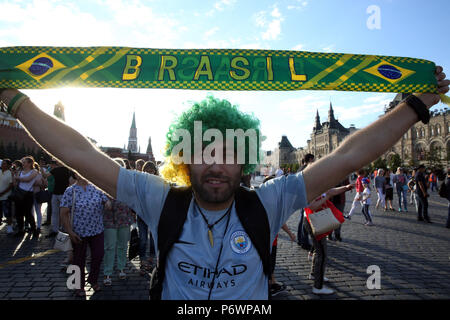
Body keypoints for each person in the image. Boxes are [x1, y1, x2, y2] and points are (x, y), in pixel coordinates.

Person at [0, 66, 447, 299]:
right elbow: (79, 153)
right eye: (204, 154)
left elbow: (349, 153)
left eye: (230, 156)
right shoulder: (159, 200)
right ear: (184, 162)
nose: (217, 167)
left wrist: (414, 108)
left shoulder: (270, 202)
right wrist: (14, 100)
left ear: (247, 163)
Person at [59, 174, 110, 297]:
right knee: (78, 260)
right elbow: (63, 213)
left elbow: (106, 199)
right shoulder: (71, 190)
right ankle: (78, 286)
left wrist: (108, 203)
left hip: (97, 229)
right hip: (79, 232)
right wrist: (70, 232)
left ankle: (93, 280)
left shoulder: (96, 188)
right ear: (75, 174)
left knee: (98, 255)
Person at [304, 184, 353, 295]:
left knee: (319, 251)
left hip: (315, 219)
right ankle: (318, 286)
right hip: (313, 220)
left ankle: (314, 274)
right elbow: (312, 206)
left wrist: (345, 188)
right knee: (321, 253)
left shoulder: (317, 184)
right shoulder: (311, 187)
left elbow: (331, 191)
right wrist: (326, 196)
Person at [44, 161, 75, 238]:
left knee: (56, 213)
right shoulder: (68, 170)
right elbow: (72, 181)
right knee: (65, 213)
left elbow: (46, 175)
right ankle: (65, 229)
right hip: (63, 193)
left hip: (56, 192)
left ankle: (56, 229)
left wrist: (42, 168)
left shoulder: (56, 170)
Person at [138, 160, 157, 275]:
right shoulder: (140, 182)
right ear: (144, 171)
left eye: (152, 171)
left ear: (155, 172)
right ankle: (142, 260)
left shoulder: (158, 182)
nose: (150, 173)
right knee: (143, 239)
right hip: (141, 215)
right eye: (147, 171)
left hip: (153, 214)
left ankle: (150, 259)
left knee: (154, 239)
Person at [14, 156, 39, 238]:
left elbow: (28, 179)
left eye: (24, 162)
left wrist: (17, 177)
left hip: (28, 194)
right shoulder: (20, 171)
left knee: (28, 213)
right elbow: (15, 183)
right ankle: (20, 230)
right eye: (22, 162)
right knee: (19, 213)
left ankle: (34, 229)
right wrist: (15, 174)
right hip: (19, 193)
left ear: (30, 163)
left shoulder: (34, 171)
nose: (22, 163)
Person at [296, 154, 315, 250]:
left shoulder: (300, 168)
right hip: (306, 196)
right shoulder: (306, 169)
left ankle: (300, 239)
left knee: (302, 218)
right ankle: (304, 241)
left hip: (302, 196)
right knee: (305, 219)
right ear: (310, 159)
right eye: (313, 159)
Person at [0, 159, 13, 234]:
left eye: (4, 164)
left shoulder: (10, 173)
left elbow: (11, 185)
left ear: (8, 165)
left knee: (7, 213)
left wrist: (3, 192)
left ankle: (9, 228)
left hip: (6, 196)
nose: (2, 165)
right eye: (2, 164)